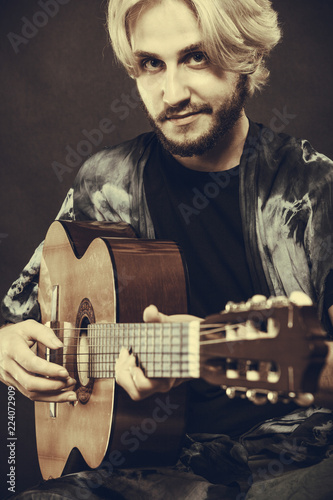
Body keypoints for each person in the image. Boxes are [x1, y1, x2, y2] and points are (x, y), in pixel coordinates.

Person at [1, 0, 333, 498]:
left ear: (244, 53)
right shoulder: (105, 182)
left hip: (293, 460)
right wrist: (5, 346)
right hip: (144, 466)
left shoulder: (312, 188)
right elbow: (19, 318)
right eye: (151, 64)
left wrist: (199, 354)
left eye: (195, 57)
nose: (170, 94)